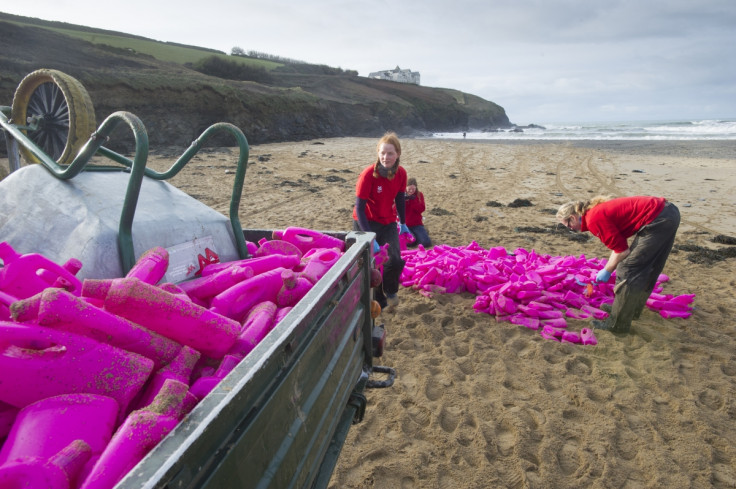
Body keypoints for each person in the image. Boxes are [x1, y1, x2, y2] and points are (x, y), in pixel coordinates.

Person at [556, 195, 680, 334]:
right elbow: (618, 246)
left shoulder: (593, 219)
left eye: (568, 225)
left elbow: (622, 251)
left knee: (627, 269)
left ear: (572, 217)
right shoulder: (594, 213)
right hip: (667, 212)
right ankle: (630, 310)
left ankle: (617, 324)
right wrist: (607, 267)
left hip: (658, 218)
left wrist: (607, 270)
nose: (570, 229)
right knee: (648, 266)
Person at [353, 132, 409, 310]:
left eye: (390, 153)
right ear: (378, 153)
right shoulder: (369, 175)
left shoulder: (401, 174)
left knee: (395, 260)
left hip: (388, 221)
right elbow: (360, 209)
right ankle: (379, 298)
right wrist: (370, 237)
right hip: (366, 222)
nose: (386, 157)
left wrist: (404, 222)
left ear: (398, 154)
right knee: (373, 264)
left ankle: (390, 290)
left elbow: (400, 199)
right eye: (382, 153)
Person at [405, 177, 432, 248]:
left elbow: (422, 209)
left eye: (413, 189)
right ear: (406, 187)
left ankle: (421, 233)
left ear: (416, 188)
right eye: (409, 189)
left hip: (416, 224)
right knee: (410, 243)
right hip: (405, 225)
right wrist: (404, 201)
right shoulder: (401, 195)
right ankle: (415, 236)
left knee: (426, 243)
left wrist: (413, 201)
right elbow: (395, 211)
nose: (411, 191)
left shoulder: (419, 195)